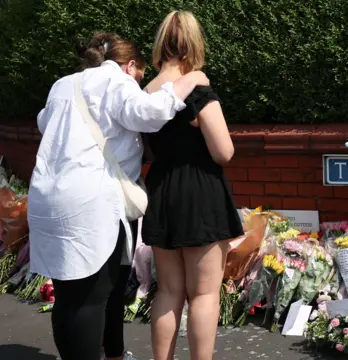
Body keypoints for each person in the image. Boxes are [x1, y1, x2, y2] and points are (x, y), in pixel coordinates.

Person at [27, 31, 211, 360]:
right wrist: (192, 78)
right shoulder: (117, 82)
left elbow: (45, 123)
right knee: (92, 297)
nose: (141, 82)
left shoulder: (63, 85)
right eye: (141, 75)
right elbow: (150, 114)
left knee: (70, 294)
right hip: (92, 203)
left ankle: (113, 353)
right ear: (129, 66)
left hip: (50, 197)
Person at [141, 11, 243, 360]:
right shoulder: (198, 90)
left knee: (168, 291)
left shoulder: (146, 91)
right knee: (203, 294)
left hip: (161, 190)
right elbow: (224, 151)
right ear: (193, 44)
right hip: (199, 192)